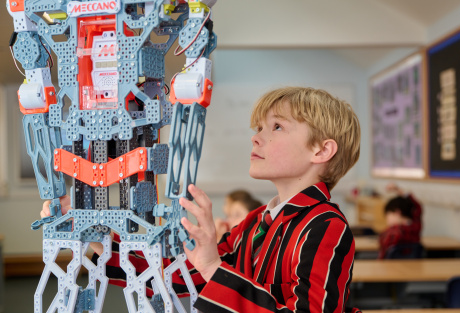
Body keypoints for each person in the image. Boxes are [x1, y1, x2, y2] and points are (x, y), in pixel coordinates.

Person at [41, 86, 362, 312]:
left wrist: (211, 264)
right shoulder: (257, 221)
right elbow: (172, 275)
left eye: (277, 127)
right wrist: (96, 237)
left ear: (321, 150)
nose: (256, 136)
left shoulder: (324, 226)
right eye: (259, 127)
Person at [377, 183, 423, 259]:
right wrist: (399, 190)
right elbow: (417, 207)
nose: (387, 219)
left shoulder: (391, 232)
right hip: (414, 268)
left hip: (389, 269)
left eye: (388, 215)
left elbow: (383, 254)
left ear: (397, 212)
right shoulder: (415, 227)